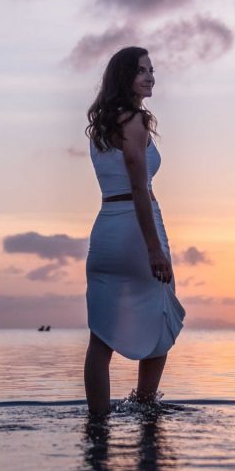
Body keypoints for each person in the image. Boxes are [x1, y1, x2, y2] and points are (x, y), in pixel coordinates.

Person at [83, 46, 185, 416]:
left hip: (105, 230)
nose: (150, 76)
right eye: (142, 70)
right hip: (136, 229)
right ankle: (144, 408)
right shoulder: (136, 122)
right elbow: (139, 188)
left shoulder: (101, 127)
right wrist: (154, 249)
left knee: (100, 338)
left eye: (152, 69)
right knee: (161, 314)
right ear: (124, 77)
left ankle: (97, 424)